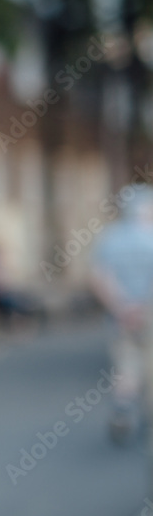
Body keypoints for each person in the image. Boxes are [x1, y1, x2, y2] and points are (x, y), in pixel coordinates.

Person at [89, 184, 153, 445]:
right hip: (148, 314)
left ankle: (123, 407)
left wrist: (121, 307)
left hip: (120, 316)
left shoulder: (110, 237)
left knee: (126, 364)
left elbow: (98, 276)